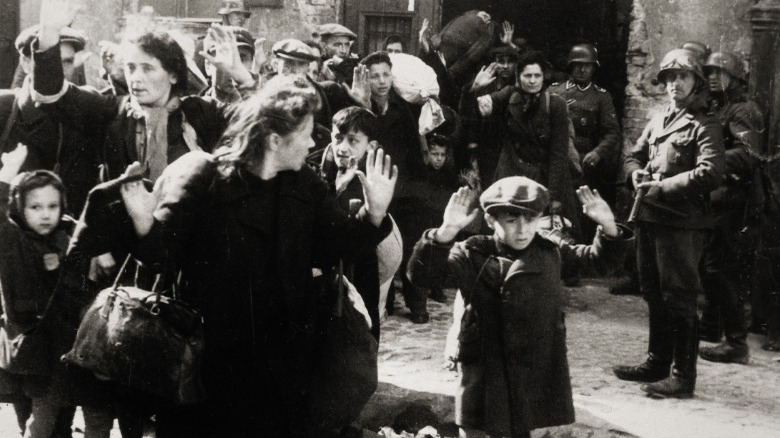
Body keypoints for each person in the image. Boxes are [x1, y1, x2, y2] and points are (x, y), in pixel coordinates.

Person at [115, 75, 397, 437]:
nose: (314, 142)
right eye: (308, 132)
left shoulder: (305, 185)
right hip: (209, 366)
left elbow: (333, 247)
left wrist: (373, 214)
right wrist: (143, 225)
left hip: (281, 366)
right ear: (275, 139)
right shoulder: (206, 178)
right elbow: (160, 261)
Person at [408, 177, 632, 438]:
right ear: (492, 221)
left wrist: (608, 227)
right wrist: (445, 233)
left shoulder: (552, 251)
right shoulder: (472, 253)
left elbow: (598, 263)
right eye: (511, 221)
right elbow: (422, 277)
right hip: (484, 371)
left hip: (529, 372)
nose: (523, 230)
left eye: (531, 220)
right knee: (476, 430)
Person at [615, 48, 725, 399]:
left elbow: (711, 173)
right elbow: (633, 154)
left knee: (679, 296)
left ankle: (683, 375)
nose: (675, 84)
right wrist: (635, 176)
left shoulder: (705, 124)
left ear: (696, 82)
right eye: (669, 78)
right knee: (652, 291)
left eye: (683, 77)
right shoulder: (659, 119)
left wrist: (662, 186)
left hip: (681, 223)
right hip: (649, 217)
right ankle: (657, 361)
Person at [0, 144, 72, 438]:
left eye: (52, 206)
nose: (45, 215)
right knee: (30, 420)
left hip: (63, 351)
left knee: (61, 423)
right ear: (19, 207)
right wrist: (6, 175)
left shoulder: (68, 236)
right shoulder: (12, 241)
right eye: (35, 207)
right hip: (25, 348)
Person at [697, 51, 763, 364]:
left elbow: (749, 155)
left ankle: (736, 343)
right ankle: (710, 326)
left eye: (719, 72)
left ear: (734, 77)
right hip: (718, 198)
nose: (711, 77)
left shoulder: (743, 110)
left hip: (736, 200)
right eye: (708, 71)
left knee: (720, 269)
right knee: (709, 264)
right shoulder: (719, 105)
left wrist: (711, 161)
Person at [470, 50, 581, 237]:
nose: (532, 81)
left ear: (543, 77)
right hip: (512, 173)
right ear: (518, 76)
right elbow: (479, 110)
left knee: (548, 233)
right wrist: (475, 89)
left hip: (544, 177)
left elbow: (558, 153)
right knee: (506, 231)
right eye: (527, 75)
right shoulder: (508, 96)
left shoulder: (555, 105)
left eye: (537, 75)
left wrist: (553, 197)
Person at [319, 105, 402, 337]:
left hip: (363, 271)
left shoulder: (372, 183)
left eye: (353, 140)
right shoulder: (322, 172)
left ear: (370, 146)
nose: (343, 148)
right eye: (338, 138)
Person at [0, 24, 100, 214]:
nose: (58, 71)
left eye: (67, 62)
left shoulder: (84, 112)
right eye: (50, 61)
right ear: (26, 63)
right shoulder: (4, 108)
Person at [548, 44, 622, 240]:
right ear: (570, 67)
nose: (582, 70)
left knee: (581, 212)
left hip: (584, 163)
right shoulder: (555, 91)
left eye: (587, 66)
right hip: (556, 158)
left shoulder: (601, 97)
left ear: (593, 68)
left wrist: (598, 152)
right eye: (578, 65)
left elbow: (612, 132)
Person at [459, 43, 519, 188]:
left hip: (511, 151)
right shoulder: (484, 84)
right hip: (486, 149)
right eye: (500, 61)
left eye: (509, 61)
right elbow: (468, 115)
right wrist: (474, 88)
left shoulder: (519, 86)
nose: (505, 66)